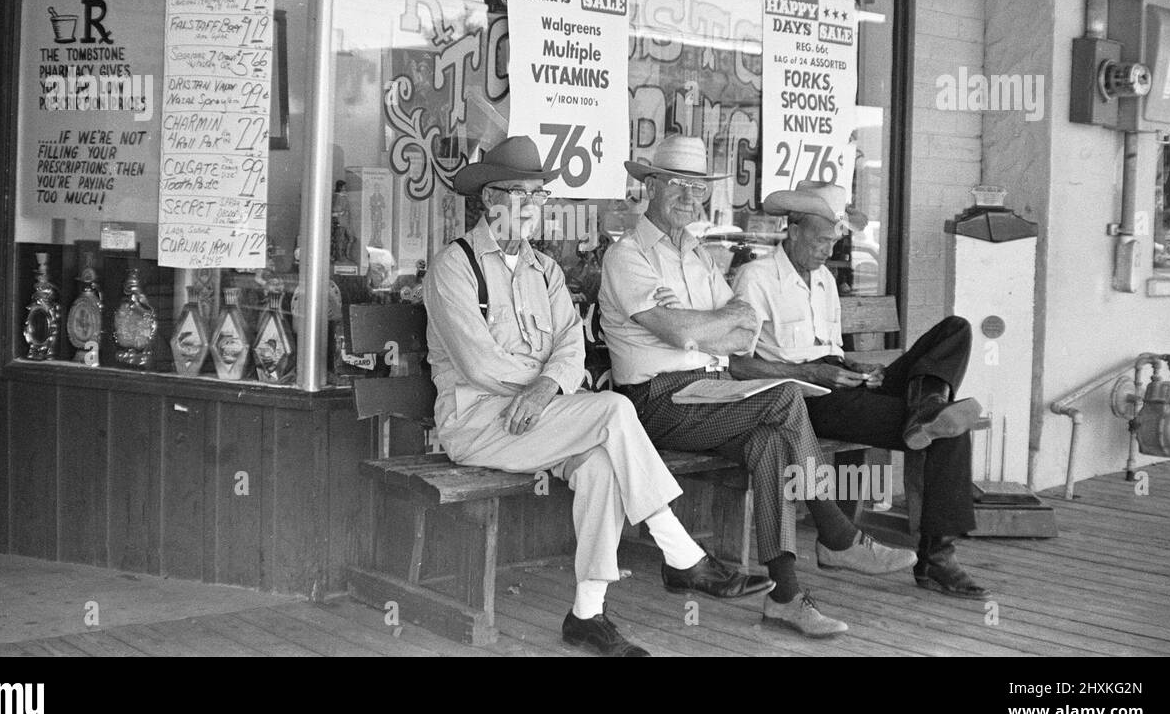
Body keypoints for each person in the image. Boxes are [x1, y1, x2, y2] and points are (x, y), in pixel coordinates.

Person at [423, 136, 773, 658]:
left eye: (538, 196)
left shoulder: (545, 271)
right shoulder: (455, 266)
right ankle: (680, 554)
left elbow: (570, 350)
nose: (529, 207)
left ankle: (587, 614)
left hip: (544, 420)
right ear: (489, 200)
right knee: (614, 409)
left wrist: (547, 387)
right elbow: (479, 364)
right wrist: (546, 387)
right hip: (480, 426)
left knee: (601, 468)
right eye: (516, 194)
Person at [600, 136, 917, 638]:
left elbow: (745, 324)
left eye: (698, 186)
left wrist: (704, 322)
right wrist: (703, 324)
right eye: (677, 184)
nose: (689, 195)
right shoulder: (628, 255)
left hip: (710, 392)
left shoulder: (700, 256)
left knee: (772, 441)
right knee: (788, 394)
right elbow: (675, 331)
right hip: (655, 401)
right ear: (651, 185)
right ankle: (835, 530)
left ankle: (786, 596)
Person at [731, 179, 991, 600]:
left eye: (833, 242)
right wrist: (816, 373)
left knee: (954, 329)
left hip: (843, 382)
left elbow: (831, 349)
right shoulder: (755, 279)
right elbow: (738, 364)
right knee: (951, 430)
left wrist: (855, 367)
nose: (827, 251)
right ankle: (937, 560)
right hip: (805, 397)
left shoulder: (824, 281)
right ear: (793, 230)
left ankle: (927, 407)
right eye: (819, 241)